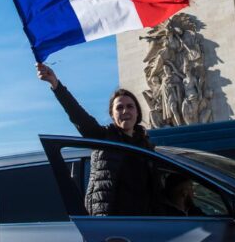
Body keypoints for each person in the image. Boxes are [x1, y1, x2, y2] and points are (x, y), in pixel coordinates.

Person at [36, 63, 154, 216]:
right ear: (112, 115)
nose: (125, 111)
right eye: (119, 108)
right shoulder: (103, 138)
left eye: (130, 106)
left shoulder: (148, 147)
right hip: (113, 225)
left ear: (137, 113)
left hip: (148, 223)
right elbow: (78, 115)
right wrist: (56, 84)